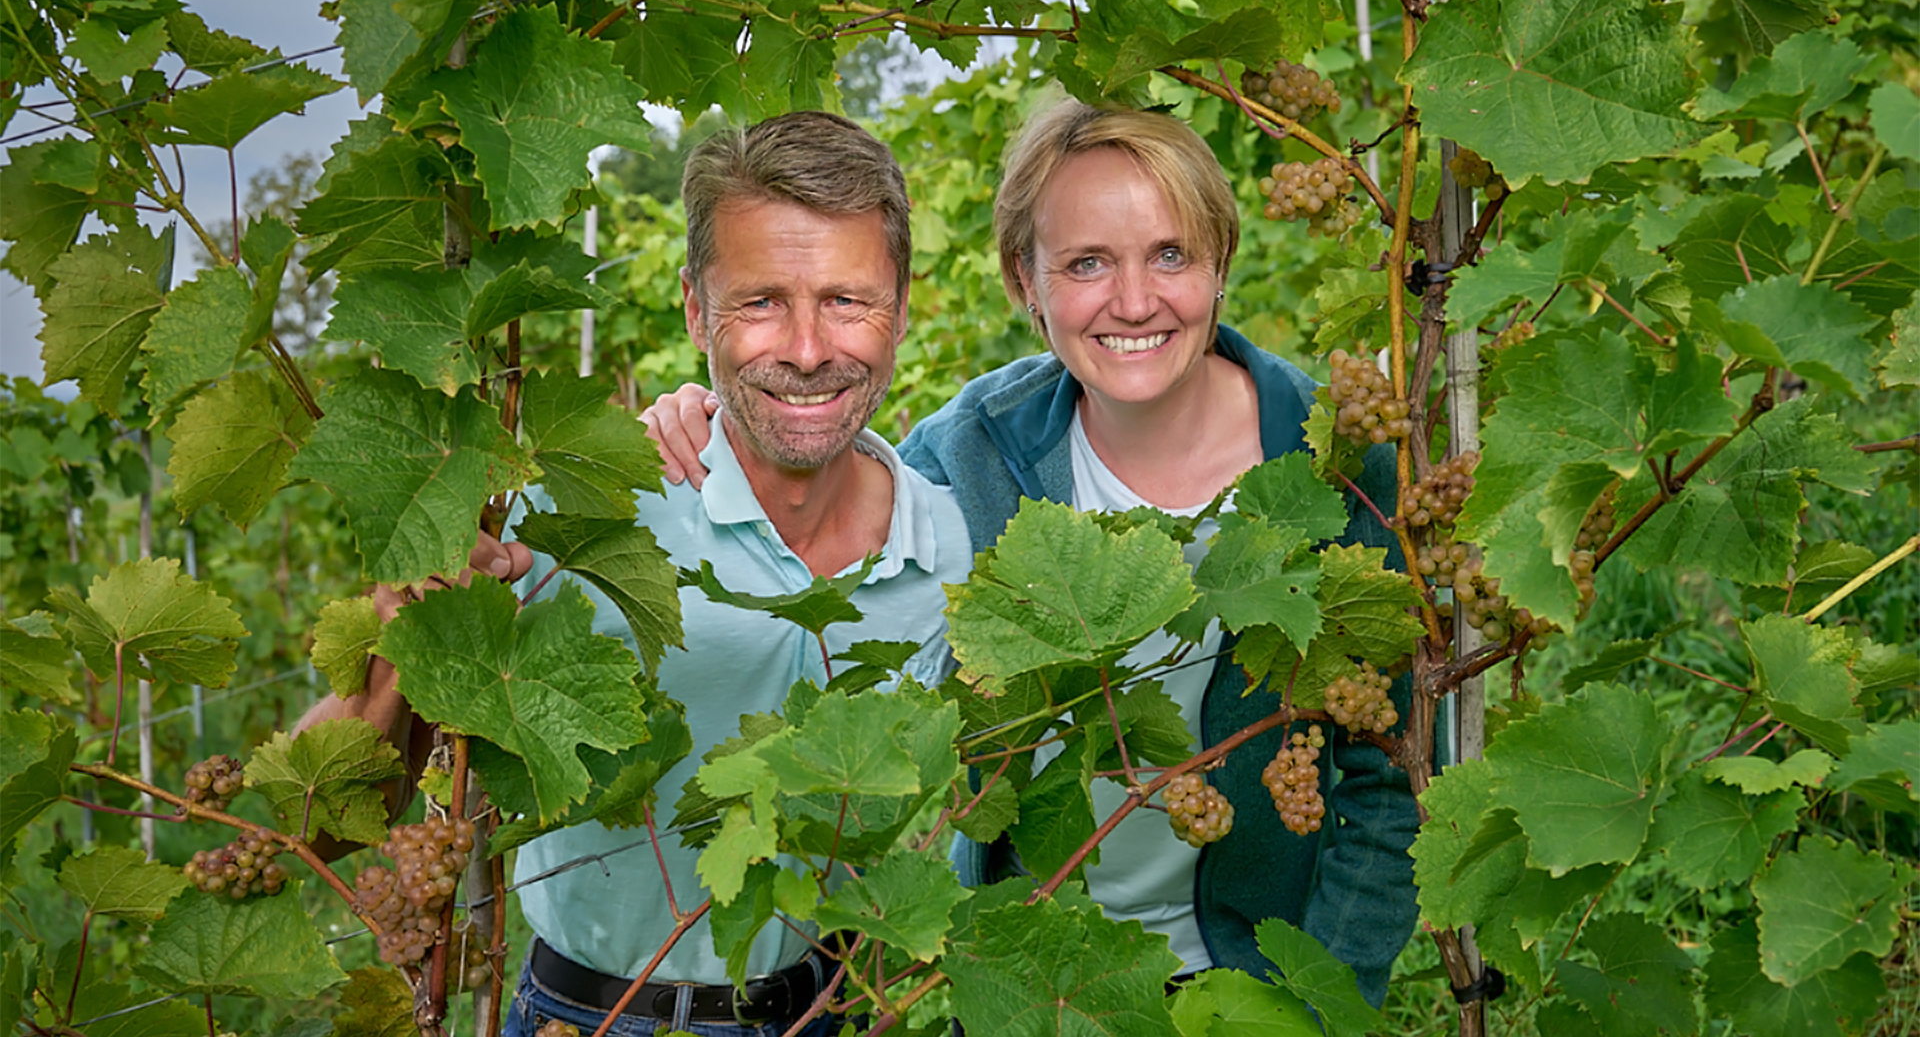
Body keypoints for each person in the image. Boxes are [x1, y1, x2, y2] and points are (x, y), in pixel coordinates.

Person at [640, 97, 1419, 1005]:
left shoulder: (1335, 466)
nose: (1134, 300)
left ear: (1219, 266)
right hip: (1029, 985)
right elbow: (821, 459)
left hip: (1252, 987)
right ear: (1024, 280)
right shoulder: (969, 454)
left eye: (1170, 254)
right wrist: (699, 414)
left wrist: (1320, 1001)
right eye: (1086, 263)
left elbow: (1387, 781)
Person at [301, 111, 973, 1037]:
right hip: (585, 1017)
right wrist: (398, 642)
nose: (811, 350)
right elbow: (324, 828)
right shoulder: (570, 512)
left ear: (902, 306)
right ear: (697, 309)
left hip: (832, 1014)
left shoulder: (946, 546)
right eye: (762, 301)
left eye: (848, 301)